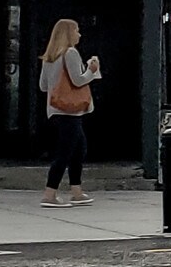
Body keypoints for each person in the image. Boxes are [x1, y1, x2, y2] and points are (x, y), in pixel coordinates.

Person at [37, 18, 102, 207]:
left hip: (55, 110)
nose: (79, 34)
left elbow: (43, 86)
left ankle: (77, 192)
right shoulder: (70, 53)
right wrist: (92, 71)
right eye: (76, 30)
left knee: (78, 149)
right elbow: (78, 80)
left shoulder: (49, 56)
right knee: (65, 152)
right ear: (68, 33)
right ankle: (49, 194)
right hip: (70, 112)